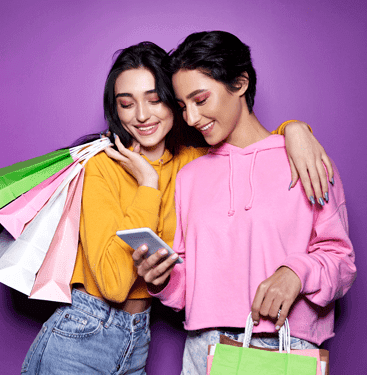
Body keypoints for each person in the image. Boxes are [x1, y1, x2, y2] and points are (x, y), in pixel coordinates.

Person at [21, 41, 333, 375]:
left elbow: (249, 147)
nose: (141, 116)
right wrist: (147, 185)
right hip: (82, 330)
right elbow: (114, 284)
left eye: (155, 100)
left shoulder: (194, 162)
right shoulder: (103, 165)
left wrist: (295, 131)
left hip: (139, 339)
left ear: (173, 103)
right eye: (126, 104)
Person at [133, 31, 357, 375]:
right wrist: (162, 280)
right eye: (182, 106)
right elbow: (186, 287)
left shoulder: (306, 159)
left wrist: (296, 272)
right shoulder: (189, 177)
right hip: (203, 350)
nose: (191, 118)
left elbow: (341, 263)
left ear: (239, 83)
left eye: (200, 99)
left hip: (285, 349)